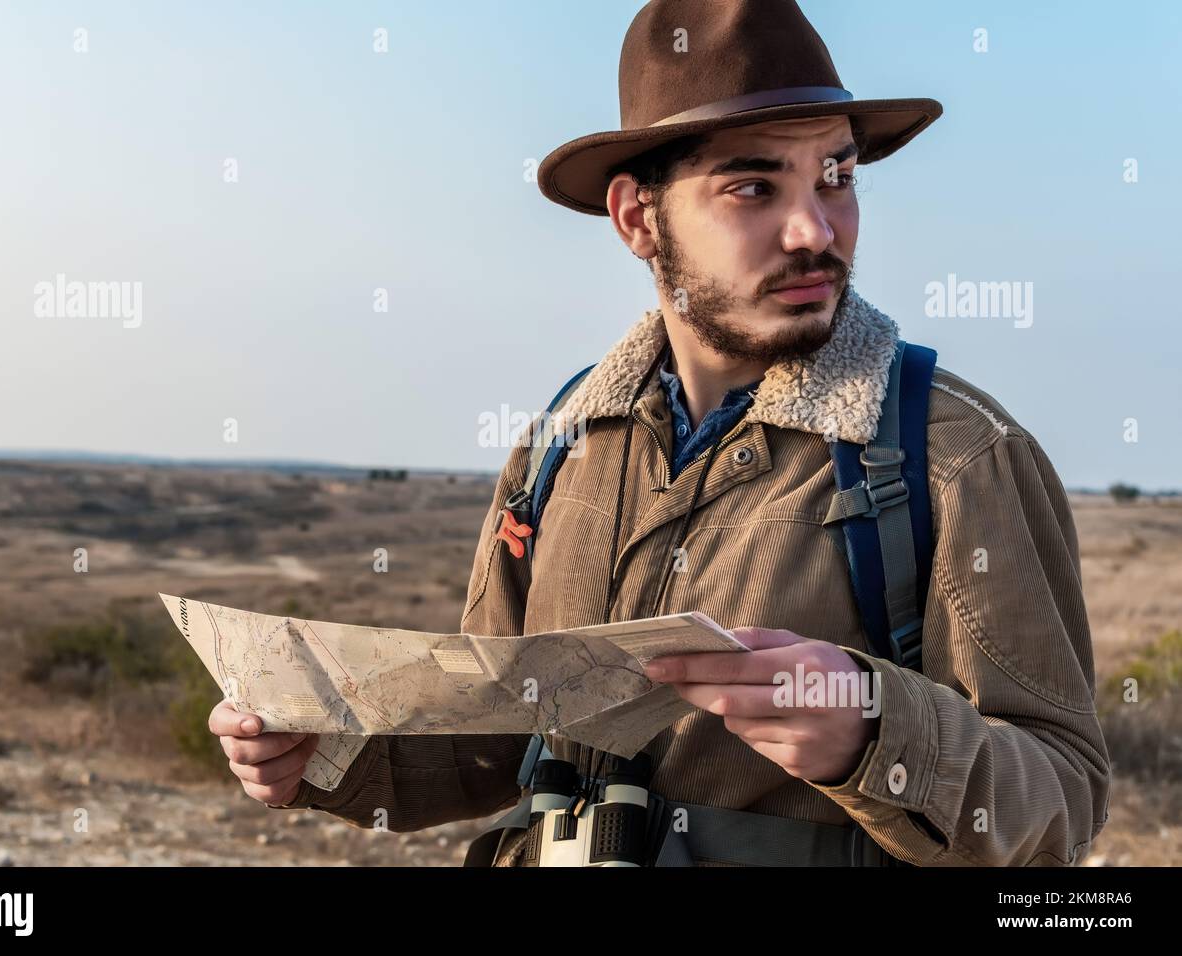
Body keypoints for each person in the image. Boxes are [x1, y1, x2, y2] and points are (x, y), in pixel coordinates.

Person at [208, 0, 1110, 867]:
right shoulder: (563, 443)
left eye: (836, 176)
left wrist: (873, 730)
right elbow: (496, 738)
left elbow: (1061, 802)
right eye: (754, 186)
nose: (815, 229)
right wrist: (321, 752)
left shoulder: (955, 455)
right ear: (639, 219)